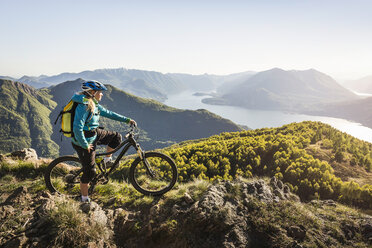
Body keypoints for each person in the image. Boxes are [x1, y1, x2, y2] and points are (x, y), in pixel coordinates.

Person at [71, 80, 136, 203]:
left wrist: (127, 120)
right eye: (100, 92)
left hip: (94, 133)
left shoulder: (93, 104)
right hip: (83, 140)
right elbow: (77, 128)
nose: (102, 94)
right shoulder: (83, 106)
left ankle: (107, 161)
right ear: (92, 92)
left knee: (116, 137)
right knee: (90, 173)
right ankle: (84, 199)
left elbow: (109, 113)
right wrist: (85, 145)